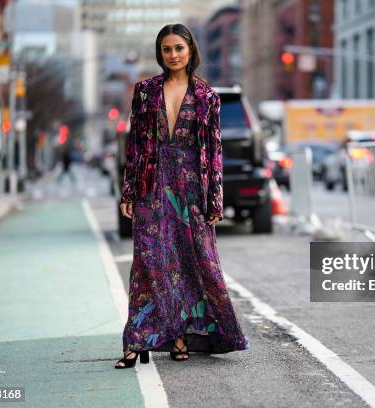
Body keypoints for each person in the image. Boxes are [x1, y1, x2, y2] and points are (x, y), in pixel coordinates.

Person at [114, 24, 251, 368]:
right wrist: (128, 190)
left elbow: (215, 151)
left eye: (178, 48)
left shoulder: (208, 97)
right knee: (149, 261)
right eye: (166, 50)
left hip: (192, 185)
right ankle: (135, 340)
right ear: (159, 54)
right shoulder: (145, 91)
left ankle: (181, 337)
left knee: (195, 261)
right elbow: (134, 146)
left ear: (190, 50)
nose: (173, 55)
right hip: (152, 182)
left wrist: (215, 199)